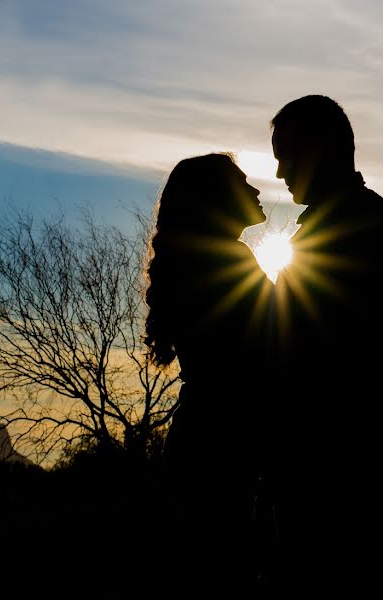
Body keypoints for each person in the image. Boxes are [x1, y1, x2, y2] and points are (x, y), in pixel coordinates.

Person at [269, 95, 383, 591]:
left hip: (337, 445)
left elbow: (321, 342)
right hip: (331, 439)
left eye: (286, 153)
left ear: (321, 149)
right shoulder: (340, 223)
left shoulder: (362, 226)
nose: (279, 169)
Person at [144, 153, 273, 598]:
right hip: (222, 443)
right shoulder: (225, 262)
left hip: (204, 436)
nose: (256, 189)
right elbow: (272, 343)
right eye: (242, 183)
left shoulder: (199, 260)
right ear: (216, 200)